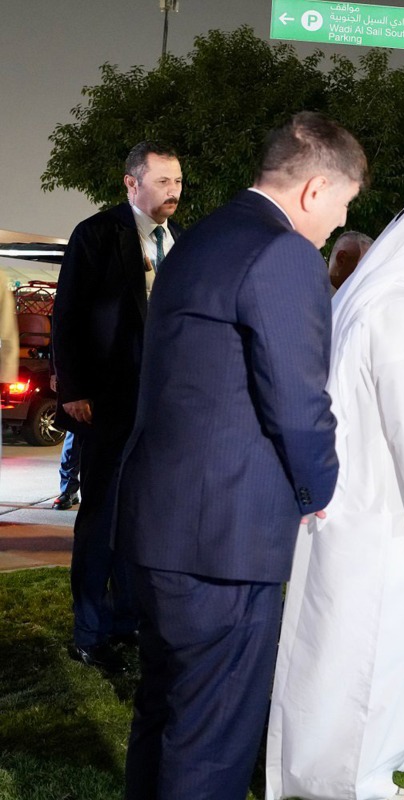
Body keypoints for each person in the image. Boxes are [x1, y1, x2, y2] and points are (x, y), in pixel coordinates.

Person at [115, 112, 365, 800]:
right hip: (225, 539)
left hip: (162, 523)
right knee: (211, 741)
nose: (339, 220)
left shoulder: (200, 239)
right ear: (315, 190)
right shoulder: (283, 253)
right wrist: (320, 489)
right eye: (344, 203)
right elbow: (299, 403)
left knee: (164, 713)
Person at [266, 187, 404, 800]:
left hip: (355, 506)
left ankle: (328, 772)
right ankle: (355, 784)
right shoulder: (400, 311)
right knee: (371, 651)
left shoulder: (374, 298)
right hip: (385, 515)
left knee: (332, 646)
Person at [52, 141, 184, 671]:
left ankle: (127, 620)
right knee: (102, 517)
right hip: (107, 403)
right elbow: (67, 315)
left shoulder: (179, 240)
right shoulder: (97, 234)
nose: (174, 191)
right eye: (163, 181)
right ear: (132, 183)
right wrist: (73, 389)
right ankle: (89, 631)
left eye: (178, 181)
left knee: (142, 518)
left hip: (161, 408)